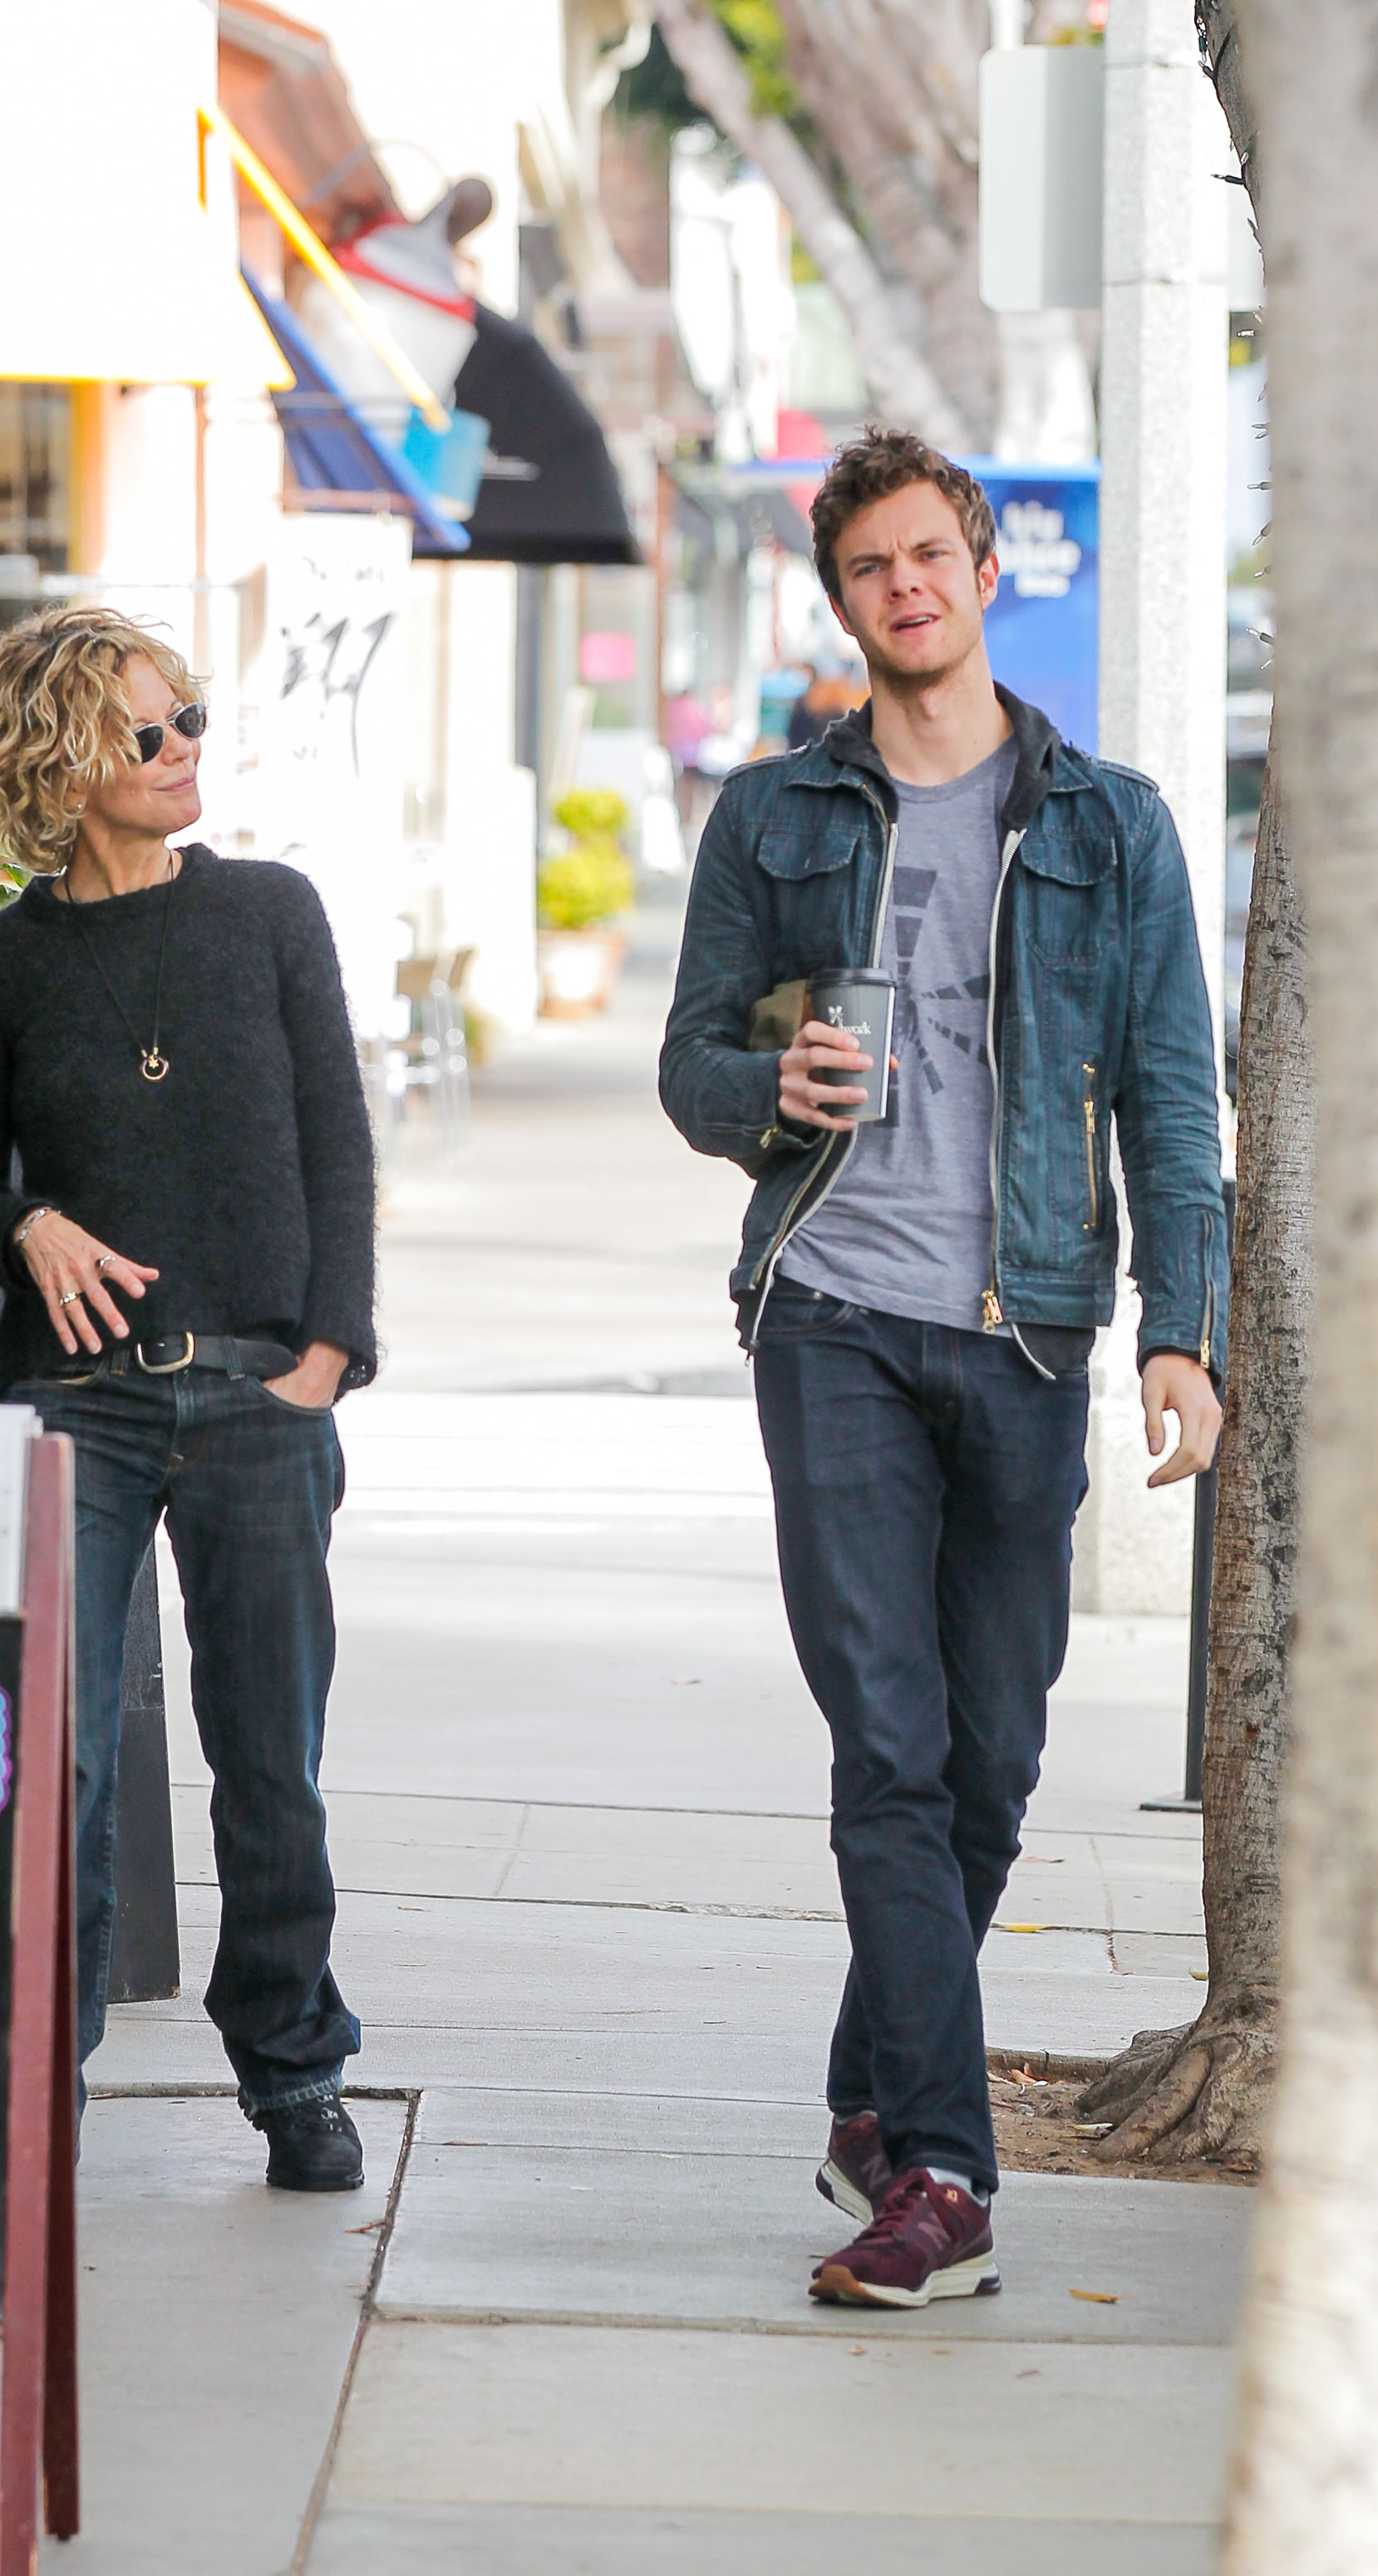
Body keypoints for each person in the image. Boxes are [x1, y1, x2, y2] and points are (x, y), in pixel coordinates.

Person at [659, 430, 1227, 2306]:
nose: (902, 587)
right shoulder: (772, 814)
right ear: (841, 606)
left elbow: (1164, 1090)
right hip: (826, 1310)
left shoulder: (1106, 825)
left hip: (1022, 1332)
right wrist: (769, 1091)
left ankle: (862, 2076)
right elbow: (690, 1067)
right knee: (886, 1747)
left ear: (983, 570)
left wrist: (1177, 1325)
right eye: (867, 570)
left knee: (987, 1755)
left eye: (928, 555)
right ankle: (936, 2173)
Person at [0, 604, 376, 2193]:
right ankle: (37, 2076)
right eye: (149, 730)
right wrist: (25, 1224)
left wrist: (330, 1352)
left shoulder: (270, 915)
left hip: (261, 1388)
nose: (188, 746)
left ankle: (295, 2071)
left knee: (270, 1755)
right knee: (53, 1753)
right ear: (64, 759)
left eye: (189, 715)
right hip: (75, 1408)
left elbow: (338, 1141)